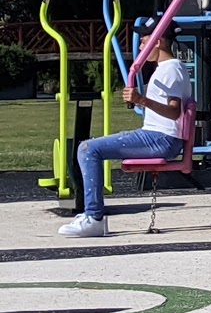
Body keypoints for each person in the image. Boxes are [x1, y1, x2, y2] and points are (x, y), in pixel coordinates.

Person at [59, 28, 191, 238]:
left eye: (144, 41)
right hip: (158, 135)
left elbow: (174, 111)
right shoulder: (167, 68)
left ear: (157, 42)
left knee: (88, 149)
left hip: (161, 138)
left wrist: (142, 100)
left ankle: (93, 217)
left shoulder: (171, 69)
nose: (140, 47)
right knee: (89, 148)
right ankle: (92, 215)